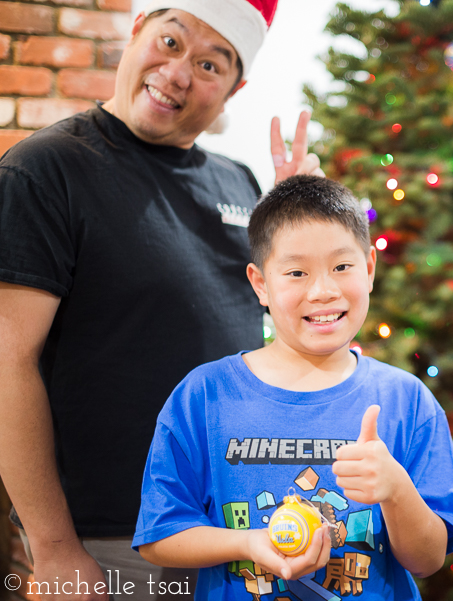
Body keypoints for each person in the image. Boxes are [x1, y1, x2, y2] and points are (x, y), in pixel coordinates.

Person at [0, 0, 326, 598]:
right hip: (110, 540)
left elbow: (281, 341)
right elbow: (6, 365)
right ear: (137, 30)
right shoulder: (44, 171)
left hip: (236, 529)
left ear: (235, 87)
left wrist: (293, 228)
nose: (178, 74)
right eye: (171, 43)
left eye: (211, 64)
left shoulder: (240, 184)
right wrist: (53, 549)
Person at [132, 175, 453, 600]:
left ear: (368, 269)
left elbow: (428, 560)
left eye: (342, 267)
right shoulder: (204, 396)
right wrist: (247, 543)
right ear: (261, 284)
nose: (323, 291)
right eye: (296, 272)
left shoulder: (408, 400)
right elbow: (159, 535)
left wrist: (396, 489)